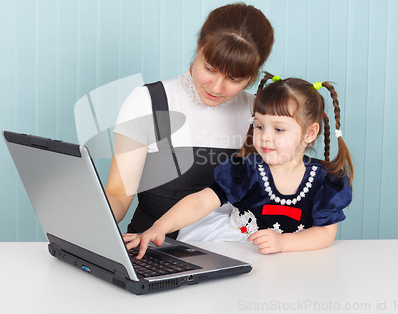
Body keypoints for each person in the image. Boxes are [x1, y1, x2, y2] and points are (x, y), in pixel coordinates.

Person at [123, 72, 353, 258]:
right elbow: (201, 201)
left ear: (310, 133)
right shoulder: (247, 170)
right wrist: (159, 227)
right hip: (240, 249)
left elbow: (324, 233)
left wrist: (283, 242)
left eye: (279, 129)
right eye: (260, 126)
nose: (265, 137)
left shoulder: (325, 180)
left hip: (292, 260)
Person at [105, 3, 275, 239]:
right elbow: (117, 194)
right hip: (154, 252)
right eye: (209, 68)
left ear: (253, 75)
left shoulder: (260, 116)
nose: (216, 87)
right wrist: (87, 224)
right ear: (198, 48)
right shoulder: (147, 102)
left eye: (234, 78)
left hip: (234, 254)